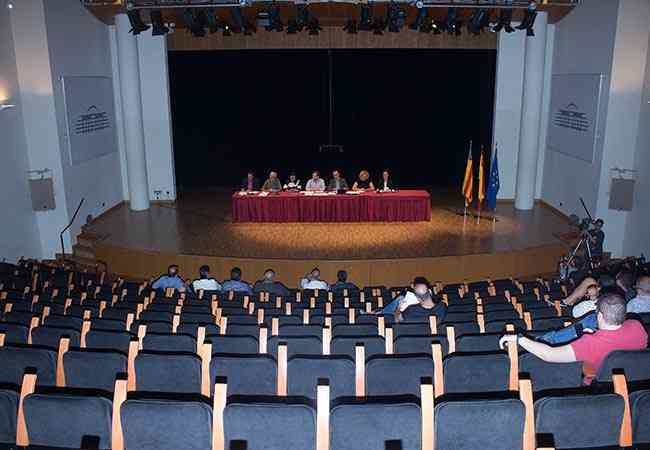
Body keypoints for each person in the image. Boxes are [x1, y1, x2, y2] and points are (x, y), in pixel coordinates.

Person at [500, 291, 647, 384]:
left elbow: (548, 354)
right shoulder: (637, 326)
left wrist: (519, 338)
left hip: (599, 389)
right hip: (635, 385)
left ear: (600, 316)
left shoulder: (589, 343)